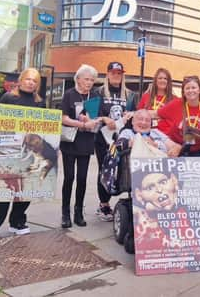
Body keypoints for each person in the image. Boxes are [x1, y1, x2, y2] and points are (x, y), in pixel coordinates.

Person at [0, 68, 46, 240]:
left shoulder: (40, 102)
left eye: (34, 81)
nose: (31, 82)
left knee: (25, 188)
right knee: (4, 187)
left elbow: (45, 127)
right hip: (9, 148)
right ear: (21, 79)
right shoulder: (9, 97)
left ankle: (17, 221)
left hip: (29, 149)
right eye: (28, 79)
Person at [94, 61, 137, 221]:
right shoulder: (98, 92)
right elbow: (93, 114)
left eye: (119, 73)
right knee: (104, 170)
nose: (116, 76)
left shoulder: (130, 94)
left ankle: (125, 202)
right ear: (108, 74)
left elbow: (135, 115)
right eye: (113, 73)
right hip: (103, 139)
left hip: (122, 140)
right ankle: (104, 204)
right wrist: (105, 118)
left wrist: (130, 115)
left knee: (122, 169)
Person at [60, 64, 101, 228]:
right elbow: (63, 118)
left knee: (82, 179)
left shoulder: (94, 96)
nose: (89, 82)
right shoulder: (69, 95)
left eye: (92, 80)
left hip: (86, 142)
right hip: (70, 141)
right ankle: (65, 213)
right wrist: (81, 123)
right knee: (69, 177)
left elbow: (97, 119)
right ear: (78, 79)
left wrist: (91, 121)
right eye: (86, 79)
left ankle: (78, 212)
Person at [158, 76, 200, 157]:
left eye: (193, 88)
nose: (191, 90)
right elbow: (157, 114)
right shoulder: (175, 104)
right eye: (187, 88)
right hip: (176, 149)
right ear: (183, 91)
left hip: (199, 151)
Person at [137, 68, 176, 133]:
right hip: (146, 133)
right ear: (155, 80)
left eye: (165, 78)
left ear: (168, 82)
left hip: (165, 136)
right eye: (160, 78)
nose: (162, 80)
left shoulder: (175, 100)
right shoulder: (146, 96)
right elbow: (138, 115)